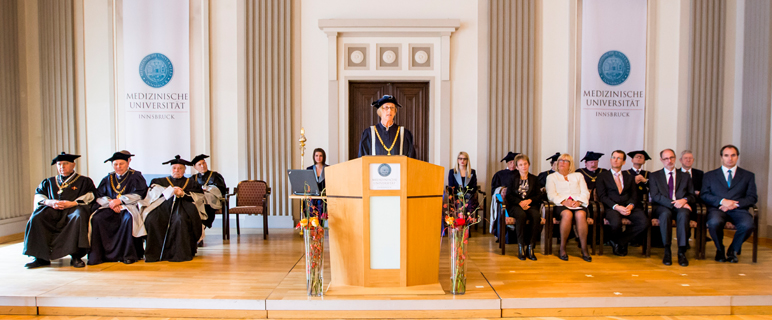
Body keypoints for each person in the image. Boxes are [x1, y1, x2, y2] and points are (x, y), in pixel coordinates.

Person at [23, 152, 96, 268]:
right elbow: (39, 196)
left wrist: (73, 203)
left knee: (79, 215)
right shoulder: (49, 182)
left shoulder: (84, 181)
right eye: (59, 164)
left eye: (65, 163)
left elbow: (91, 196)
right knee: (37, 217)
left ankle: (76, 256)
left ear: (73, 165)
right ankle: (40, 258)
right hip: (52, 209)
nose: (62, 167)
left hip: (73, 209)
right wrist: (50, 202)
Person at [141, 155, 206, 262]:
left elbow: (199, 198)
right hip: (162, 206)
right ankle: (156, 253)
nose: (177, 170)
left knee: (180, 220)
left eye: (180, 168)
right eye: (174, 168)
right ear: (170, 169)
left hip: (184, 207)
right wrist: (170, 191)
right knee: (152, 219)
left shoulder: (192, 183)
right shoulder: (159, 181)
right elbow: (152, 196)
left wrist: (183, 194)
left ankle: (180, 253)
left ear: (184, 170)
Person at [88, 151, 148, 265]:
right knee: (97, 218)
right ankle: (99, 255)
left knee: (128, 219)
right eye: (115, 164)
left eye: (121, 164)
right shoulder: (108, 178)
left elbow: (140, 194)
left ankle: (128, 255)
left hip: (128, 207)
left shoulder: (136, 176)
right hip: (109, 207)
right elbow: (99, 195)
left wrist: (120, 201)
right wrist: (111, 203)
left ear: (127, 163)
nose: (118, 167)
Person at [701, 145, 757, 263]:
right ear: (721, 157)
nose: (730, 158)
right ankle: (719, 249)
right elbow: (704, 195)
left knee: (748, 225)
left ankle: (733, 250)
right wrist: (722, 201)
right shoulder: (709, 175)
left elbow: (752, 197)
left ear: (737, 157)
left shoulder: (748, 175)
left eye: (733, 155)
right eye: (726, 155)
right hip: (717, 208)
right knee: (714, 223)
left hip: (738, 209)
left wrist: (735, 204)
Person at [596, 150, 648, 257]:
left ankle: (619, 241)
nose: (615, 160)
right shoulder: (602, 176)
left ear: (623, 162)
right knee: (616, 223)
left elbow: (635, 195)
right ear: (610, 160)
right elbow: (602, 196)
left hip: (628, 207)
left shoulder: (629, 177)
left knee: (644, 223)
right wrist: (617, 207)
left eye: (619, 158)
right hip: (612, 207)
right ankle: (619, 243)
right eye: (613, 157)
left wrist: (630, 206)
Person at [649, 149, 695, 266]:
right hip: (662, 206)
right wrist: (675, 203)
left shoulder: (685, 176)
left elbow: (692, 195)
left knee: (684, 214)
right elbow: (655, 196)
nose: (669, 161)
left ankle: (681, 251)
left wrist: (685, 200)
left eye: (671, 158)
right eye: (666, 158)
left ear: (675, 158)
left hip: (681, 205)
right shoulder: (654, 176)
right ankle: (667, 250)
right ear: (661, 160)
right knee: (665, 214)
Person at [545, 154, 592, 262]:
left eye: (565, 161)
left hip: (577, 204)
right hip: (561, 205)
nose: (562, 162)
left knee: (581, 214)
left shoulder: (578, 176)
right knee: (567, 214)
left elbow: (585, 192)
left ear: (570, 164)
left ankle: (584, 249)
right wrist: (563, 201)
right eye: (560, 160)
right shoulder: (552, 177)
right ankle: (562, 248)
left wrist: (579, 201)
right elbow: (551, 195)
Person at [504, 154, 543, 261]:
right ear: (517, 167)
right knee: (521, 215)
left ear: (529, 164)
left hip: (530, 205)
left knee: (536, 216)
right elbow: (509, 195)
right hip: (516, 205)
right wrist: (520, 202)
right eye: (521, 165)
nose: (523, 166)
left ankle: (530, 247)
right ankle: (521, 246)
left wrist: (529, 201)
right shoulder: (512, 178)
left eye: (525, 164)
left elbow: (538, 195)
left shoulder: (534, 179)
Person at [191, 154, 227, 234]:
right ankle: (198, 229)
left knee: (207, 200)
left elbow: (222, 189)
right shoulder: (193, 178)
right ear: (195, 167)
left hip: (212, 201)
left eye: (204, 163)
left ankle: (203, 225)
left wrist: (209, 189)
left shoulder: (215, 176)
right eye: (199, 164)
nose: (202, 166)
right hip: (198, 202)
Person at [490, 152, 519, 243]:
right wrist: (501, 191)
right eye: (510, 162)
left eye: (514, 162)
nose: (512, 165)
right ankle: (502, 236)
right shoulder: (499, 174)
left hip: (516, 201)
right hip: (502, 202)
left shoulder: (520, 173)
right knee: (501, 207)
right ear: (507, 163)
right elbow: (494, 191)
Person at [306, 148, 328, 217]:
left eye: (321, 156)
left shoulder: (328, 168)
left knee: (320, 203)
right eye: (316, 155)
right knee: (311, 204)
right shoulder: (309, 169)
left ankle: (321, 223)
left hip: (324, 196)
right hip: (312, 195)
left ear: (323, 157)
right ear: (314, 157)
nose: (318, 157)